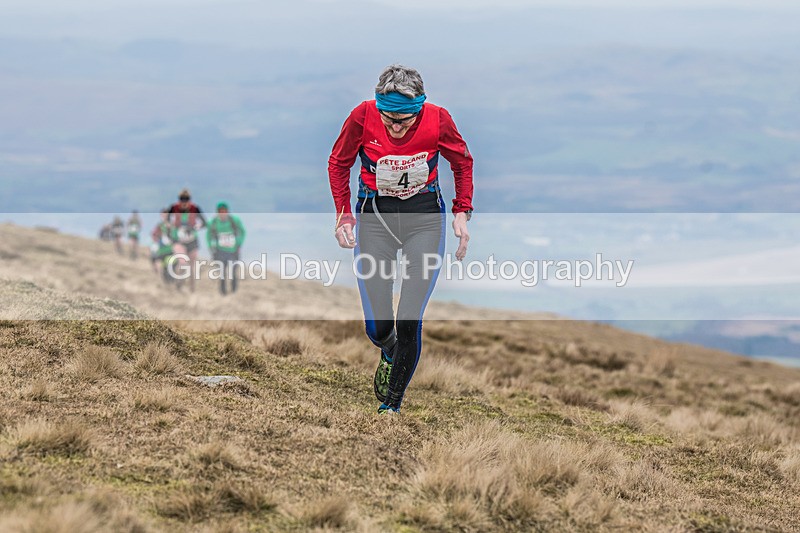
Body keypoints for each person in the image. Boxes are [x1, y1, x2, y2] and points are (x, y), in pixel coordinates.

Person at [328, 64, 474, 414]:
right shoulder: (362, 116)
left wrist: (461, 211)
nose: (395, 127)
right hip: (374, 218)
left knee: (409, 318)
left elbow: (462, 162)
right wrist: (343, 212)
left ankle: (391, 405)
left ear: (419, 108)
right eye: (389, 119)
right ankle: (390, 350)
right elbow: (338, 163)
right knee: (378, 328)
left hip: (424, 219)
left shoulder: (438, 119)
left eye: (404, 120)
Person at [168, 188, 206, 292]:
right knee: (182, 262)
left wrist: (196, 227)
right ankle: (179, 284)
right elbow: (167, 221)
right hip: (178, 240)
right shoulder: (173, 208)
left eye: (186, 199)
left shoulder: (195, 208)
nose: (184, 202)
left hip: (192, 240)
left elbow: (204, 223)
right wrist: (171, 227)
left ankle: (192, 290)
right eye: (182, 199)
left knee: (192, 267)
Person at [206, 201, 246, 296]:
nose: (222, 213)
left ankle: (234, 292)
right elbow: (208, 236)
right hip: (220, 251)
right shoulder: (213, 222)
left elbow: (243, 231)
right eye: (220, 211)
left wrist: (239, 243)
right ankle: (223, 293)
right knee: (222, 273)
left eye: (224, 211)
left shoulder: (234, 220)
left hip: (233, 251)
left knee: (233, 272)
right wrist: (211, 247)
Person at [150, 208, 175, 283]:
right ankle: (160, 282)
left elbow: (176, 236)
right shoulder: (159, 226)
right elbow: (154, 235)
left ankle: (172, 282)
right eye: (163, 215)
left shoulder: (173, 225)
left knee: (171, 268)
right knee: (158, 265)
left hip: (170, 250)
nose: (164, 216)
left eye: (166, 214)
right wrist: (155, 241)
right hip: (161, 250)